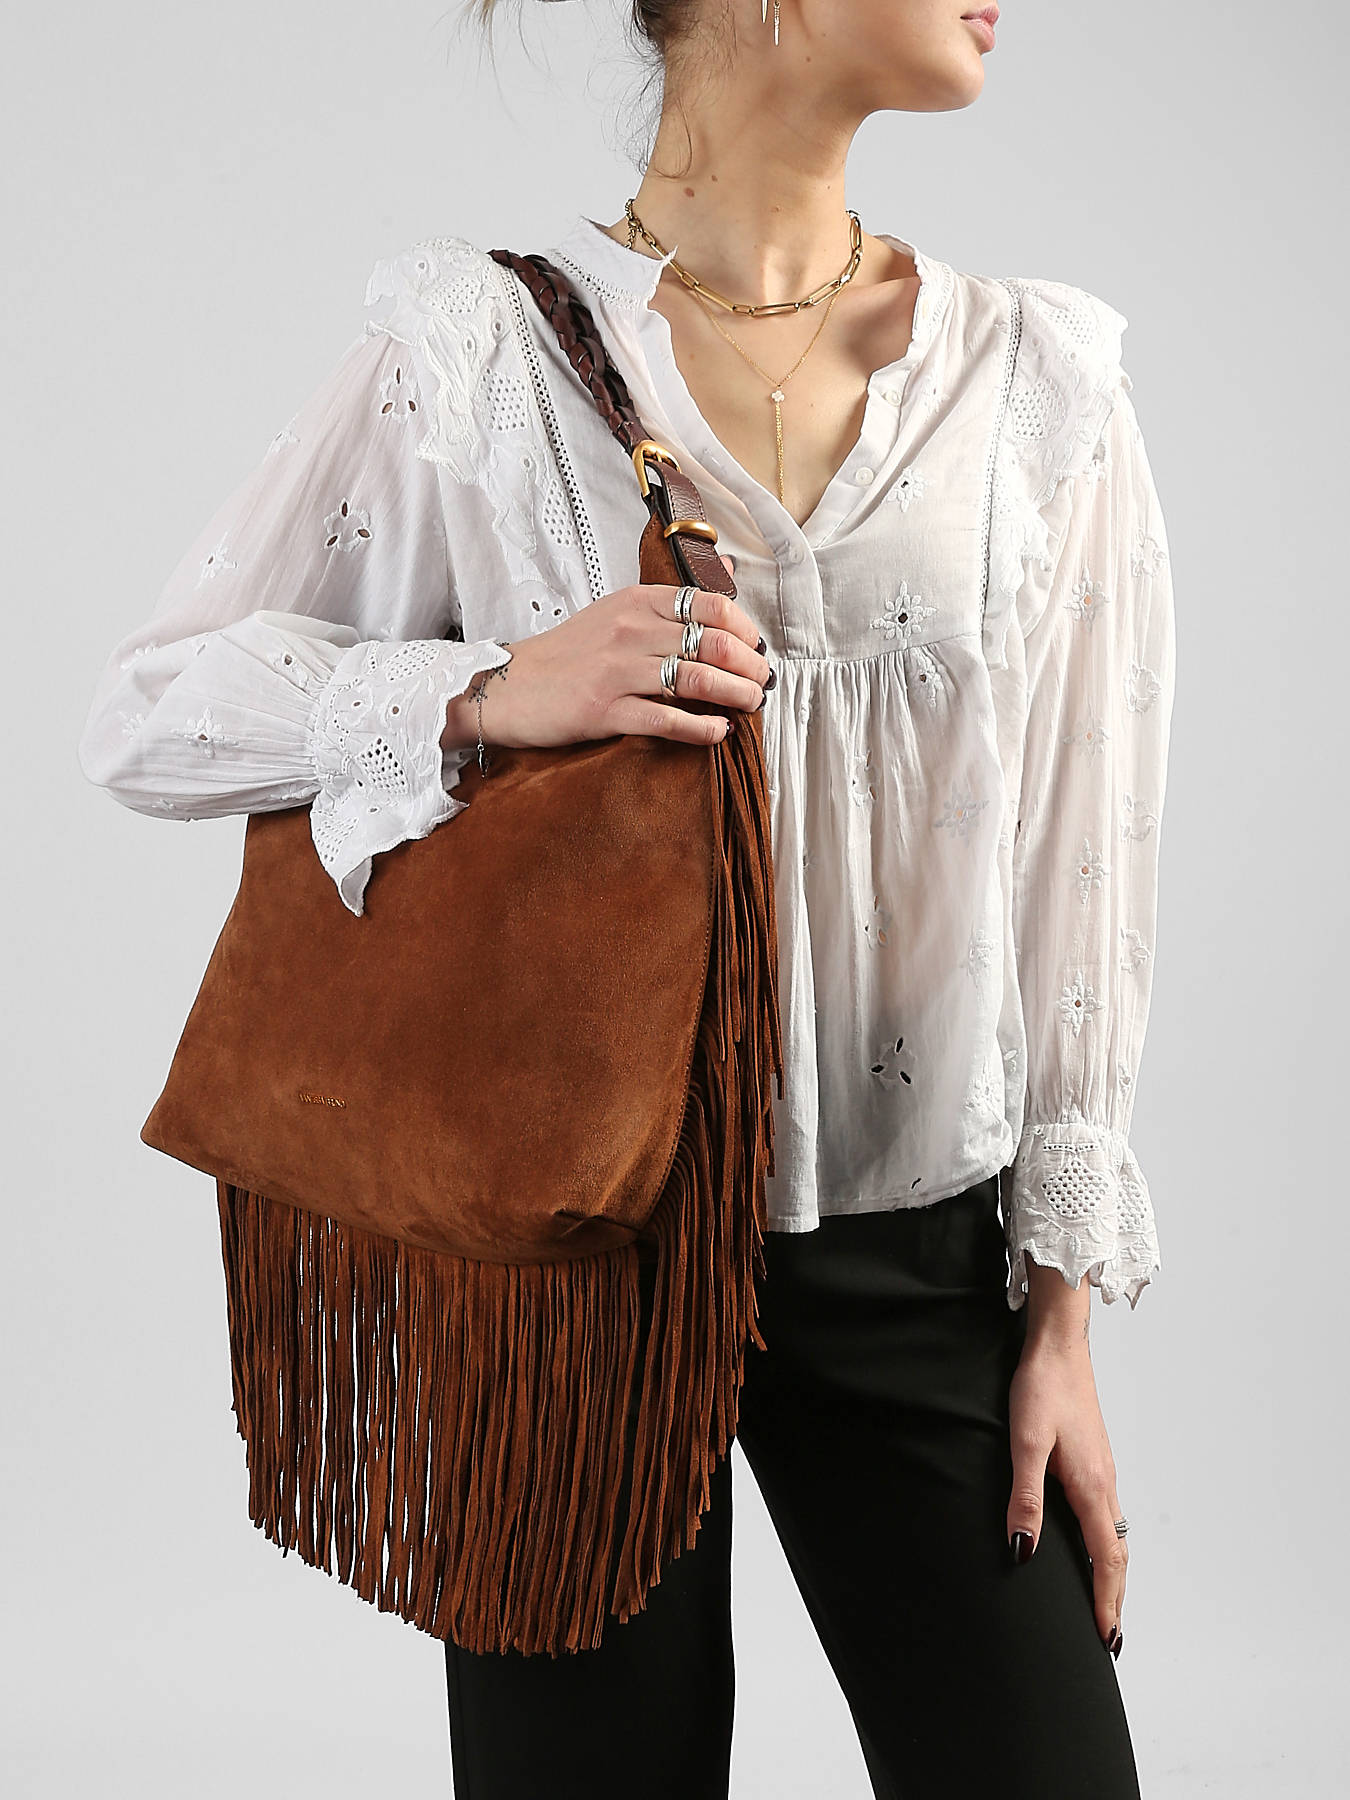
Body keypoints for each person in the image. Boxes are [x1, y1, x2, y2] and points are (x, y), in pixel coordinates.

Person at [77, 0, 1176, 1793]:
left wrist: (1054, 1321)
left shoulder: (1034, 376)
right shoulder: (479, 351)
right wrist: (485, 688)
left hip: (914, 1243)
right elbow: (149, 714)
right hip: (569, 1242)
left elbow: (1086, 850)